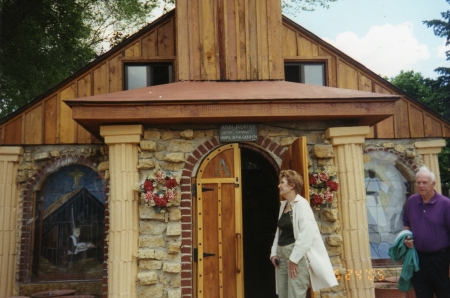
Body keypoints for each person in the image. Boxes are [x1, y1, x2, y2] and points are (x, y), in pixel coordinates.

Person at [270, 170, 338, 298]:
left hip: (296, 257)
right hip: (282, 255)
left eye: (282, 183)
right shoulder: (283, 206)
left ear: (292, 185)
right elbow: (279, 232)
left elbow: (306, 235)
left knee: (295, 294)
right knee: (283, 294)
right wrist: (274, 253)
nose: (279, 186)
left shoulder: (302, 205)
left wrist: (294, 260)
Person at [403, 166, 450, 297]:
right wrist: (406, 238)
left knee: (444, 293)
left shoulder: (445, 204)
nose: (421, 185)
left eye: (425, 182)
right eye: (418, 182)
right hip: (418, 259)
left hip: (441, 259)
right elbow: (406, 222)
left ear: (433, 184)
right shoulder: (412, 201)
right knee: (422, 293)